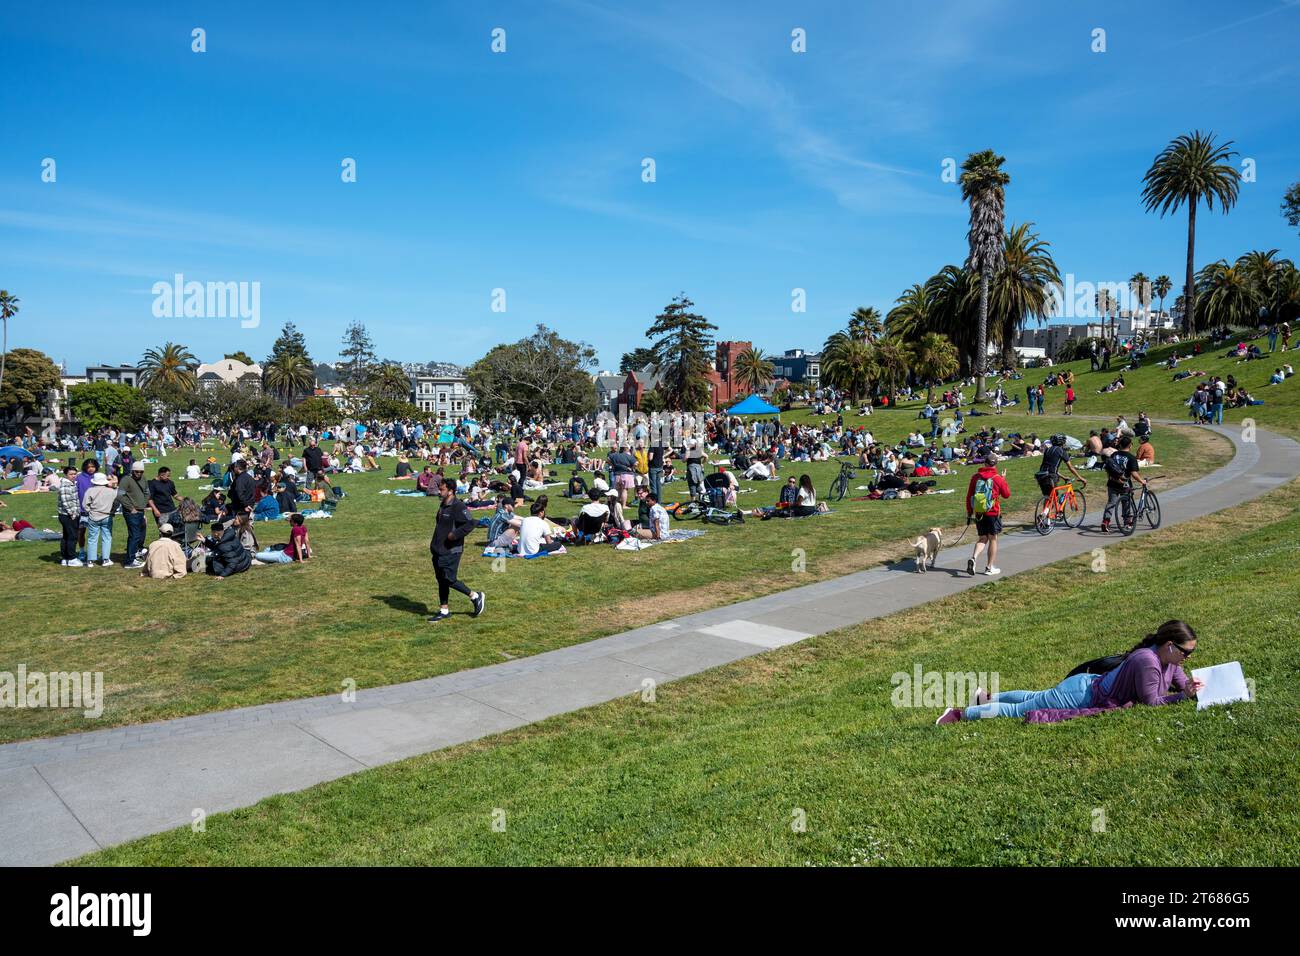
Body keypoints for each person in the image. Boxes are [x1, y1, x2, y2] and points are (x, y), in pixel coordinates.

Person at [937, 621, 1203, 723]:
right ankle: (960, 714)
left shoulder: (1168, 660)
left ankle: (986, 697)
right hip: (1080, 695)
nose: (1187, 658)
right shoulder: (1148, 661)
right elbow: (1151, 701)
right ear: (1169, 645)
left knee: (1036, 696)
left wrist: (1190, 688)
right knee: (1023, 708)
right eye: (1186, 652)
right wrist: (1182, 698)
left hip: (1085, 686)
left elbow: (1180, 682)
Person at [428, 480, 485, 623]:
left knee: (449, 579)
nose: (439, 492)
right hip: (438, 549)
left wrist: (454, 535)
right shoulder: (444, 504)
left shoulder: (458, 506)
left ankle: (475, 596)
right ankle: (444, 610)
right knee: (441, 579)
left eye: (441, 490)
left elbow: (470, 523)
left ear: (451, 491)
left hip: (451, 550)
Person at [965, 453, 1010, 576]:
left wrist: (970, 513)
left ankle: (973, 558)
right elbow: (1006, 494)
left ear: (984, 463)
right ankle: (989, 567)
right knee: (993, 539)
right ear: (995, 464)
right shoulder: (997, 478)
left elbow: (969, 496)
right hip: (993, 512)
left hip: (979, 512)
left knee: (982, 538)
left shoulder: (975, 477)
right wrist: (1003, 479)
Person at [1101, 434, 1145, 533]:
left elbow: (1108, 468)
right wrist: (1141, 481)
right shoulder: (1131, 457)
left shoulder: (1114, 455)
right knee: (1126, 503)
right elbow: (1134, 474)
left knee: (1111, 503)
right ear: (1130, 445)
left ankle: (1105, 521)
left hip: (1112, 482)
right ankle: (1127, 522)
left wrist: (1112, 478)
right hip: (1125, 484)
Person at [116, 460, 150, 569]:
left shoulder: (143, 479)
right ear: (132, 471)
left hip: (140, 510)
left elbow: (147, 492)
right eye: (137, 472)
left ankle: (134, 555)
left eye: (141, 472)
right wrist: (131, 508)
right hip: (131, 512)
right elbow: (120, 495)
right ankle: (129, 561)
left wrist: (143, 504)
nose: (139, 474)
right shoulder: (126, 480)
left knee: (140, 534)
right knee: (134, 535)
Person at [1034, 434, 1087, 499]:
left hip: (1041, 476)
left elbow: (1051, 467)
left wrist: (1063, 477)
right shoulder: (1061, 451)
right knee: (1053, 497)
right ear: (1062, 442)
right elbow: (1071, 467)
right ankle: (1049, 508)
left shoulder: (1047, 450)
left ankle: (1046, 509)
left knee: (1049, 497)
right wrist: (1080, 478)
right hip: (1050, 476)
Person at [82, 471, 117, 567]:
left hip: (94, 516)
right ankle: (105, 559)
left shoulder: (90, 490)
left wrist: (90, 511)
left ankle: (90, 560)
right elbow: (120, 496)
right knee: (107, 538)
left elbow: (85, 505)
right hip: (107, 515)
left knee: (92, 538)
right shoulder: (111, 491)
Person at [56, 465, 82, 566]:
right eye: (71, 474)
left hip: (68, 514)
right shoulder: (65, 485)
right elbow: (65, 501)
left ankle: (65, 557)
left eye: (75, 474)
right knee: (72, 536)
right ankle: (71, 558)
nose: (73, 476)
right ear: (66, 475)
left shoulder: (71, 483)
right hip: (68, 514)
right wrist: (73, 513)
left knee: (66, 536)